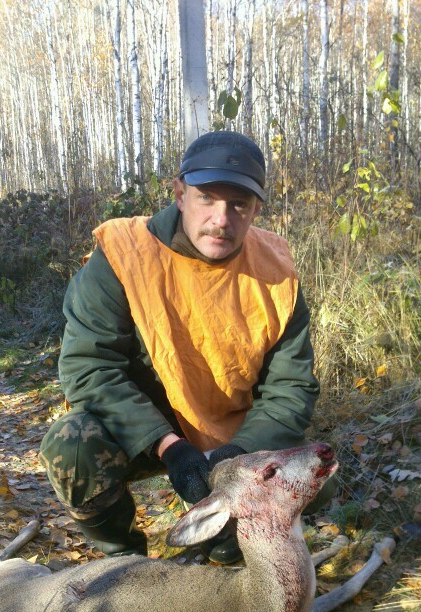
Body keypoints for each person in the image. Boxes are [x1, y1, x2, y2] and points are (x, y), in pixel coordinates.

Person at [39, 130, 335, 565]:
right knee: (73, 446)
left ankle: (227, 538)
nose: (221, 219)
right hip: (142, 433)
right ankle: (122, 561)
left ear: (256, 208)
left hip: (232, 438)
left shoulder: (276, 272)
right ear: (180, 193)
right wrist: (169, 447)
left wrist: (234, 461)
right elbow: (89, 368)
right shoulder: (124, 254)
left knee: (313, 485)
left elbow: (290, 390)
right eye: (207, 198)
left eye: (239, 204)